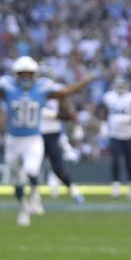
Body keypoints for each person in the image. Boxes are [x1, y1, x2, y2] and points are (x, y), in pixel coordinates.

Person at [0, 57, 92, 226]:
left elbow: (65, 92)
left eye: (29, 74)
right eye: (22, 74)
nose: (25, 77)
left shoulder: (42, 88)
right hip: (13, 140)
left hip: (33, 138)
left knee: (32, 171)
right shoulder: (7, 87)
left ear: (35, 75)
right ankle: (23, 207)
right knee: (17, 181)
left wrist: (86, 81)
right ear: (16, 75)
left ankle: (34, 194)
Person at [39, 67, 84, 204]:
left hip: (53, 133)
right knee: (32, 167)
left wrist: (54, 115)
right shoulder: (32, 91)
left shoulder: (58, 90)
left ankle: (73, 190)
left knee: (57, 167)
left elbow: (69, 112)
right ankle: (34, 196)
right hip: (35, 134)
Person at [102, 76, 131, 200]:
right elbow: (104, 113)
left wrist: (128, 119)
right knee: (115, 161)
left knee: (129, 161)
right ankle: (115, 186)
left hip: (129, 134)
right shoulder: (109, 97)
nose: (120, 88)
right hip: (114, 133)